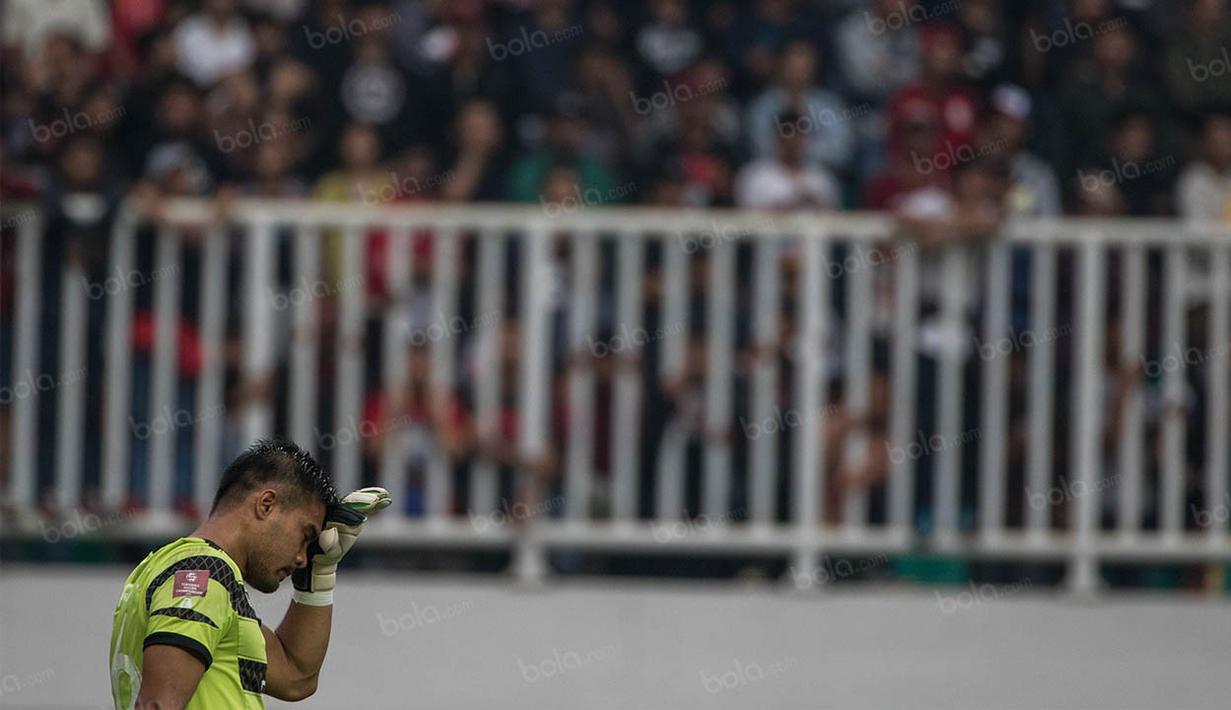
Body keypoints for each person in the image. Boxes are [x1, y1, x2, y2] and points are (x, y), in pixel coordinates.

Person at [109, 440, 391, 708]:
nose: (302, 558)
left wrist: (320, 574)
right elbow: (157, 705)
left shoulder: (194, 572)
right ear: (266, 504)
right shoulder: (204, 572)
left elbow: (296, 676)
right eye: (305, 535)